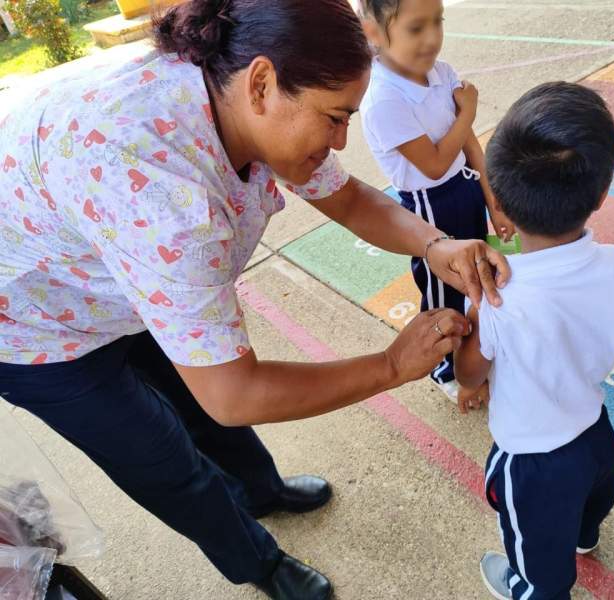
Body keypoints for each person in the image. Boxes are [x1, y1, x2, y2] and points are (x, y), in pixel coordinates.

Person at [0, 1, 512, 598]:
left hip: (111, 267)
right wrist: (390, 366)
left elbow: (343, 196)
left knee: (198, 412)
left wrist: (435, 244)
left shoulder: (234, 88)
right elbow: (233, 393)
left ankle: (262, 489)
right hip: (36, 327)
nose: (343, 137)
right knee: (163, 457)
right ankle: (260, 565)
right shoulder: (164, 197)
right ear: (263, 83)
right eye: (335, 118)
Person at [454, 82, 614, 600]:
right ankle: (584, 537)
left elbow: (470, 373)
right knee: (591, 502)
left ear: (503, 204)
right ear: (603, 194)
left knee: (539, 562)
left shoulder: (499, 296)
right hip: (596, 432)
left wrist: (470, 334)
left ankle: (533, 586)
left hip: (531, 459)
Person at [358, 0, 515, 403]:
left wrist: (491, 197)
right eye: (416, 28)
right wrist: (469, 111)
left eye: (438, 22)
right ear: (374, 30)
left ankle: (476, 353)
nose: (432, 38)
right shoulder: (384, 98)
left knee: (476, 271)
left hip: (462, 188)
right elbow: (433, 164)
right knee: (445, 291)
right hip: (429, 204)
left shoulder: (440, 73)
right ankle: (449, 369)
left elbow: (467, 144)